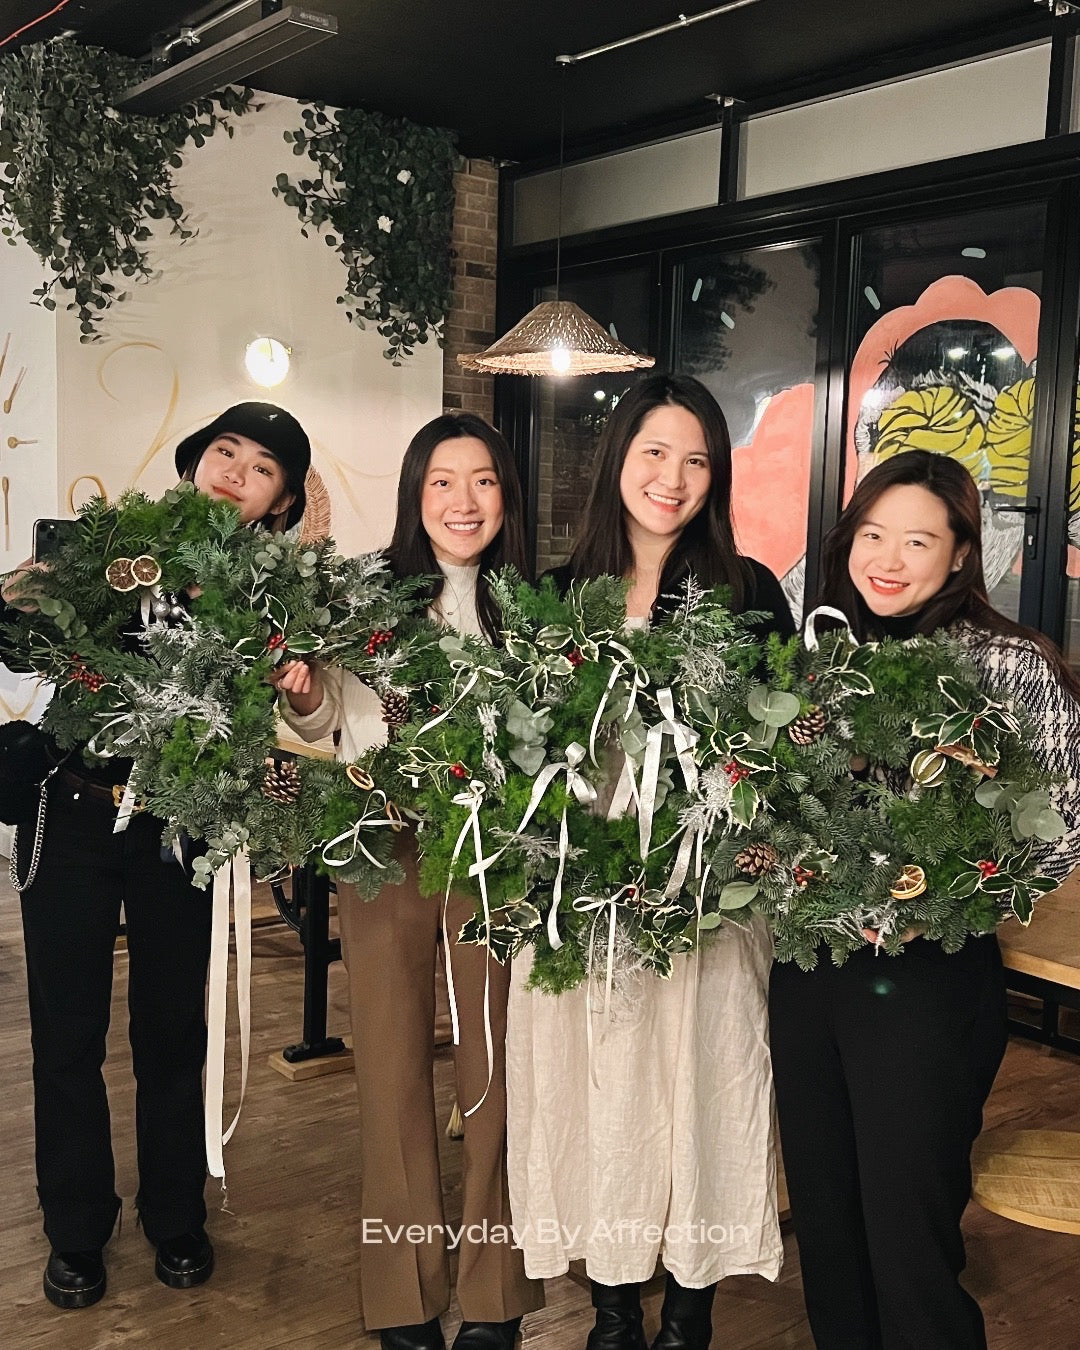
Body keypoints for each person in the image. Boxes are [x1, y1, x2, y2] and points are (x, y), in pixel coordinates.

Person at [505, 373, 796, 1350]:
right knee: (603, 1093)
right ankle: (614, 1304)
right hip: (586, 902)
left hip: (709, 902)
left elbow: (786, 741)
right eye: (655, 455)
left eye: (697, 460)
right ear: (617, 461)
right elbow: (518, 747)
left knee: (707, 1084)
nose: (673, 479)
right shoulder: (552, 593)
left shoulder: (747, 593)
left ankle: (692, 1307)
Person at [0, 401, 310, 1310]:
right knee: (67, 1036)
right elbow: (20, 648)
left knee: (173, 1031)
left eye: (260, 468)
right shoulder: (111, 547)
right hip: (74, 813)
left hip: (185, 822)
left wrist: (294, 683)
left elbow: (287, 729)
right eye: (224, 451)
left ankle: (176, 1214)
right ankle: (75, 1229)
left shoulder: (274, 596)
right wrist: (21, 594)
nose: (234, 471)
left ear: (279, 504)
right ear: (192, 461)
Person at [769, 449, 1080, 1350]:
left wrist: (945, 891)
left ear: (959, 555)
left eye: (917, 540)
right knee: (828, 1224)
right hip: (811, 969)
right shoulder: (824, 658)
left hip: (925, 980)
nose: (889, 559)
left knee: (909, 1235)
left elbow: (1064, 820)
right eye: (873, 534)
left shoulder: (1006, 662)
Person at [274, 412, 544, 1350]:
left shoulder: (540, 608)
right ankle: (401, 1287)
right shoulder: (366, 598)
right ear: (413, 494)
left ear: (507, 495)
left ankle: (496, 1290)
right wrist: (306, 701)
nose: (461, 502)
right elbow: (323, 734)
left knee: (496, 1069)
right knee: (389, 1068)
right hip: (381, 848)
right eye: (441, 481)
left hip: (499, 854)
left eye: (482, 481)